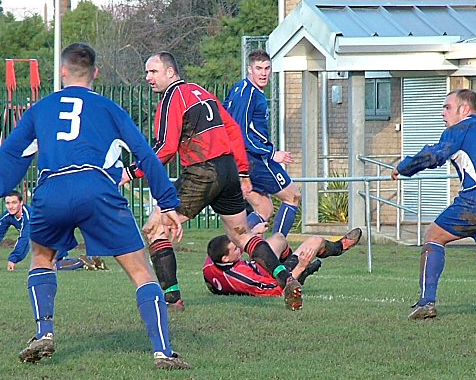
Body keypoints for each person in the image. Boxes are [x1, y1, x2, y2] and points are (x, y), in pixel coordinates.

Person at [0, 42, 190, 370]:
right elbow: (145, 154)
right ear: (95, 74)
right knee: (140, 270)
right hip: (97, 188)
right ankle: (163, 352)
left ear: (62, 71)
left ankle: (44, 331)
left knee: (42, 258)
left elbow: (10, 155)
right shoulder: (109, 109)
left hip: (51, 190)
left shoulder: (41, 109)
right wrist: (168, 202)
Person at [120, 51, 302, 311]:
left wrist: (131, 171)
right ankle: (286, 280)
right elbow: (233, 130)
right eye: (147, 72)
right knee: (242, 235)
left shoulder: (172, 98)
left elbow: (166, 148)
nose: (148, 77)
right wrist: (241, 173)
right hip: (227, 169)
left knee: (154, 228)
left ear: (170, 72)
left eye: (153, 71)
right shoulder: (200, 91)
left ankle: (172, 300)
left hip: (202, 171)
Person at [391, 89, 476, 320]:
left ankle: (426, 303)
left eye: (447, 108)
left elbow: (435, 155)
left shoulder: (460, 129)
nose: (443, 114)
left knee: (434, 235)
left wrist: (404, 167)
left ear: (464, 109)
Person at [223, 49, 301, 236]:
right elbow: (241, 133)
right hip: (254, 159)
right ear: (250, 69)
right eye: (258, 68)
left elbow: (224, 114)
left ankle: (241, 247)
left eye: (267, 68)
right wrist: (271, 153)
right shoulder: (249, 95)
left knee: (264, 209)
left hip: (242, 159)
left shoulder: (239, 88)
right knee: (292, 196)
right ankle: (278, 248)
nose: (263, 73)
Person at [204, 228, 362, 304]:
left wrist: (252, 234)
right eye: (235, 249)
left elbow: (211, 284)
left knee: (279, 238)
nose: (239, 248)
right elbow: (276, 290)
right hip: (275, 276)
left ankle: (294, 266)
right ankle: (340, 247)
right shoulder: (243, 278)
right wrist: (300, 267)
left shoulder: (210, 263)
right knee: (316, 241)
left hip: (259, 267)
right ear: (225, 259)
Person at [0, 190, 104, 272]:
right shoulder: (7, 216)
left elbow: (25, 237)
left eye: (14, 202)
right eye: (8, 203)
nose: (11, 206)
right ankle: (93, 261)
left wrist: (13, 259)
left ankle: (83, 261)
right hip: (47, 237)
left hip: (55, 233)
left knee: (52, 266)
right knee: (54, 263)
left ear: (21, 203)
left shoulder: (28, 215)